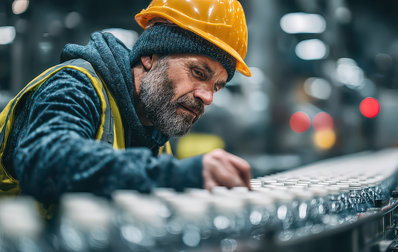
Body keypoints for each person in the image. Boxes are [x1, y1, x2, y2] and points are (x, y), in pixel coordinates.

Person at [0, 0, 252, 206]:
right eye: (198, 73)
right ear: (149, 57)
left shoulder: (156, 130)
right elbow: (48, 164)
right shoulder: (76, 87)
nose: (207, 97)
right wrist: (180, 175)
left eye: (216, 87)